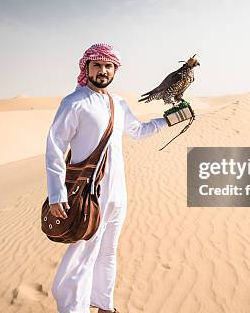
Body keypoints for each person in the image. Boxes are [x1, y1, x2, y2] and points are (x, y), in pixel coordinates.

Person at [46, 43, 169, 313]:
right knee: (83, 255)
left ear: (115, 70)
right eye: (97, 65)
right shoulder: (74, 103)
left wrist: (167, 121)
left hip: (118, 194)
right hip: (90, 194)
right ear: (86, 68)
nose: (103, 71)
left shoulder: (118, 103)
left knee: (108, 251)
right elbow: (54, 148)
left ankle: (104, 305)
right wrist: (56, 194)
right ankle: (72, 308)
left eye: (108, 66)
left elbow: (138, 131)